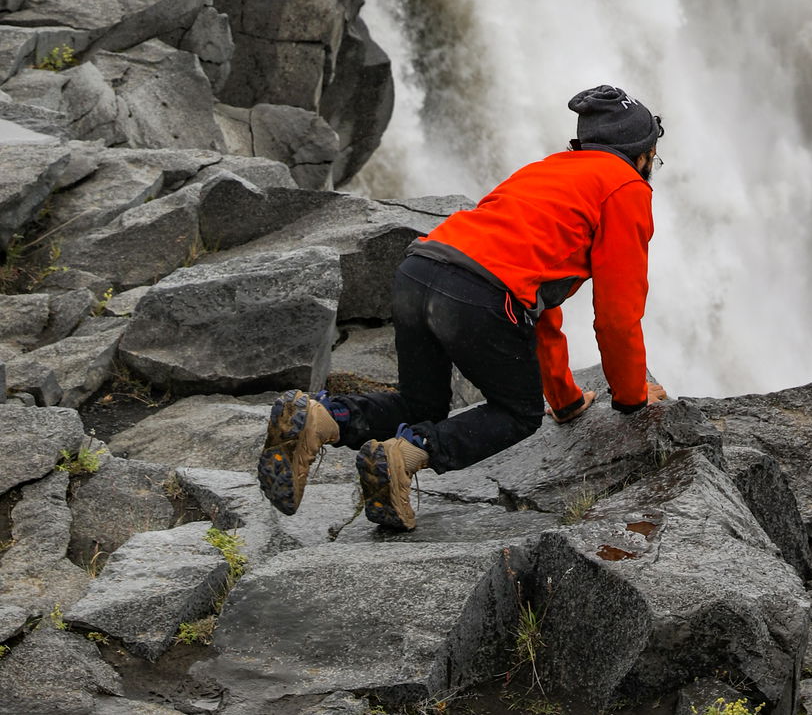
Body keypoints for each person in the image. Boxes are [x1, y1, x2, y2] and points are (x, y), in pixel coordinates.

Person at [256, 83, 668, 533]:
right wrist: (632, 399)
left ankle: (321, 418)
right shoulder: (626, 187)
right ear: (642, 155)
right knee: (517, 413)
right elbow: (617, 317)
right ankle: (404, 456)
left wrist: (566, 400)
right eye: (654, 156)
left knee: (420, 404)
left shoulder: (546, 170)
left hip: (419, 269)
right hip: (479, 292)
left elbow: (540, 306)